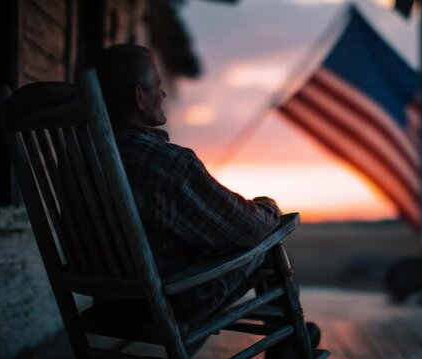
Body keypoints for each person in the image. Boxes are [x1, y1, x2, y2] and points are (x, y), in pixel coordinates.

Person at [93, 44, 283, 326]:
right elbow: (248, 229)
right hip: (167, 305)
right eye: (157, 86)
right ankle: (291, 347)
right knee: (268, 240)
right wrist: (269, 208)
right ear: (139, 97)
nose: (163, 94)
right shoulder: (166, 164)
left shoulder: (80, 157)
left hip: (108, 307)